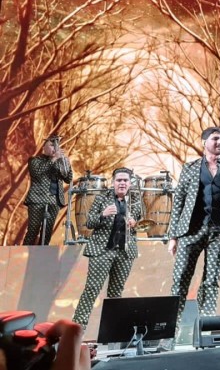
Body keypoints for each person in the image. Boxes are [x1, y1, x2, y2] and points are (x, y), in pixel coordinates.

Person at [167, 127, 220, 325]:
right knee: (180, 280)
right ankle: (172, 329)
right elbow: (178, 203)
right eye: (215, 139)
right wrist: (173, 237)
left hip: (219, 233)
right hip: (191, 231)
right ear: (204, 142)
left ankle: (206, 327)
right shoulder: (190, 168)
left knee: (212, 281)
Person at [72, 168, 142, 329]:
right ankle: (77, 327)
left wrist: (135, 223)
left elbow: (143, 223)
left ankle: (112, 329)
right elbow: (89, 223)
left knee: (116, 293)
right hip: (102, 250)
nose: (122, 183)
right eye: (119, 180)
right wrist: (102, 214)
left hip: (125, 252)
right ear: (113, 182)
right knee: (92, 289)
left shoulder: (135, 201)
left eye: (125, 180)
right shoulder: (102, 198)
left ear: (130, 183)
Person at [23, 135, 73, 245]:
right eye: (51, 145)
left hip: (55, 201)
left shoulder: (60, 161)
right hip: (38, 199)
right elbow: (37, 172)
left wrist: (67, 164)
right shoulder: (35, 160)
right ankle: (24, 254)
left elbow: (68, 179)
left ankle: (42, 254)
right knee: (33, 230)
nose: (55, 148)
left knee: (47, 233)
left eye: (57, 145)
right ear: (44, 148)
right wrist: (54, 159)